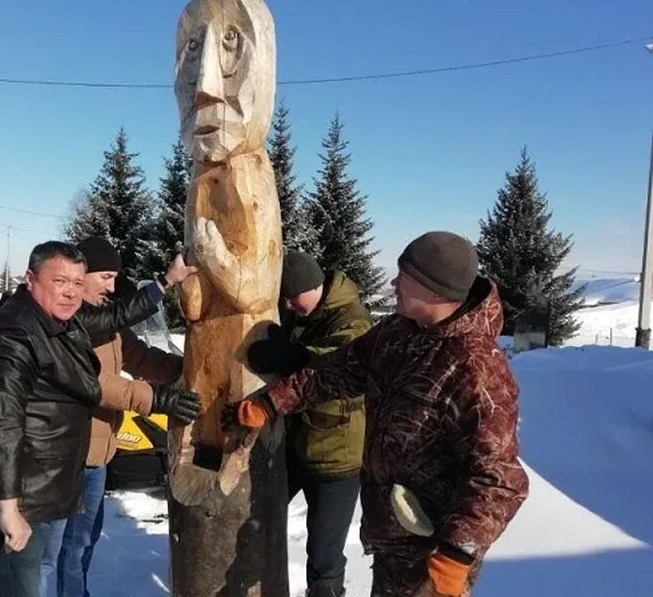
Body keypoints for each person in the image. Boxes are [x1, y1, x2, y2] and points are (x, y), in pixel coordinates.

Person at [230, 232, 529, 597]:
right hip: (390, 533)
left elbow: (501, 478)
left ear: (434, 291)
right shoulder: (397, 332)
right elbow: (335, 372)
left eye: (403, 276)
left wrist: (457, 552)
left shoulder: (477, 369)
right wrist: (271, 402)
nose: (393, 283)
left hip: (433, 552)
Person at [0, 241, 198, 597]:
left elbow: (130, 343)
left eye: (75, 282)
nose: (110, 286)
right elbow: (9, 422)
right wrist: (8, 505)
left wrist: (192, 370)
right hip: (34, 476)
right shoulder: (21, 332)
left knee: (76, 549)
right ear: (31, 279)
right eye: (63, 281)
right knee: (41, 564)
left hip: (73, 461)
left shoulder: (72, 318)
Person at [40, 237, 190, 597]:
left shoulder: (105, 321)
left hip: (98, 454)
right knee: (54, 551)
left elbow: (140, 357)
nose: (111, 286)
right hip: (66, 455)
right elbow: (99, 384)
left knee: (82, 544)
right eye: (105, 276)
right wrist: (156, 399)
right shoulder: (66, 319)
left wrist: (191, 369)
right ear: (80, 274)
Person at [275, 251, 372, 597]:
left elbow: (340, 365)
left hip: (337, 458)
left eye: (292, 297)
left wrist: (297, 356)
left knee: (324, 557)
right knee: (259, 525)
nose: (287, 305)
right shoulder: (300, 313)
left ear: (313, 286)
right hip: (294, 446)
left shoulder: (352, 318)